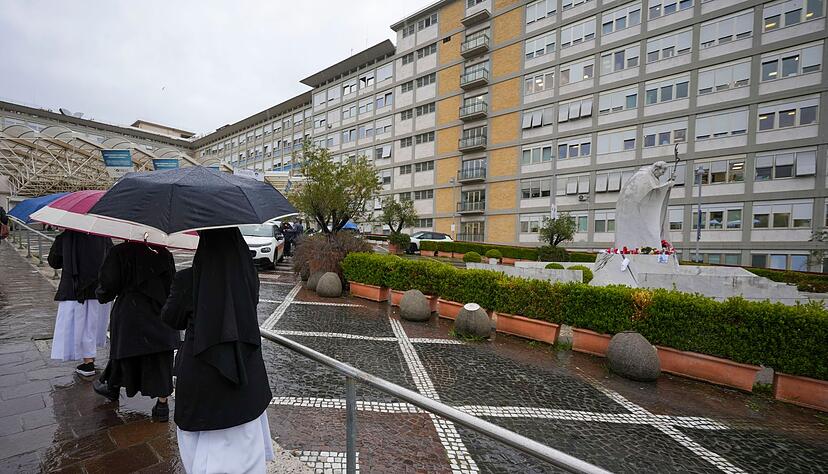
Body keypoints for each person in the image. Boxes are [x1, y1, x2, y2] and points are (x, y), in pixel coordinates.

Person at [161, 228, 273, 472]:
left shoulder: (188, 280)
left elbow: (171, 318)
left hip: (202, 380)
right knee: (246, 453)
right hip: (247, 378)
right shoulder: (249, 277)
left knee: (200, 453)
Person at [93, 242, 180, 421]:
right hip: (159, 312)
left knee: (122, 351)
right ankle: (162, 405)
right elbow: (172, 284)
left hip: (129, 312)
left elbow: (108, 284)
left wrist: (102, 294)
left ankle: (113, 386)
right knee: (161, 359)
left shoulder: (119, 252)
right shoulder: (163, 253)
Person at [48, 230, 113, 376]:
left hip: (74, 288)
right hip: (98, 287)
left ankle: (88, 362)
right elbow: (111, 259)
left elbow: (54, 262)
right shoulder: (104, 236)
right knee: (92, 325)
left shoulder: (66, 236)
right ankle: (89, 359)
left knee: (78, 326)